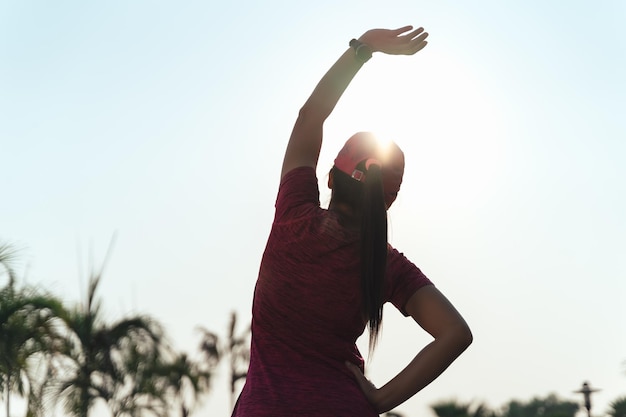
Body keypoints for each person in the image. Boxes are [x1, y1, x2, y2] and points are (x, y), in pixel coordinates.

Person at [231, 25, 472, 416]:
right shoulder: (387, 264)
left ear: (329, 177)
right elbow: (455, 334)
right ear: (387, 202)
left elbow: (311, 115)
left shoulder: (294, 215)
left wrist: (364, 48)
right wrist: (380, 399)